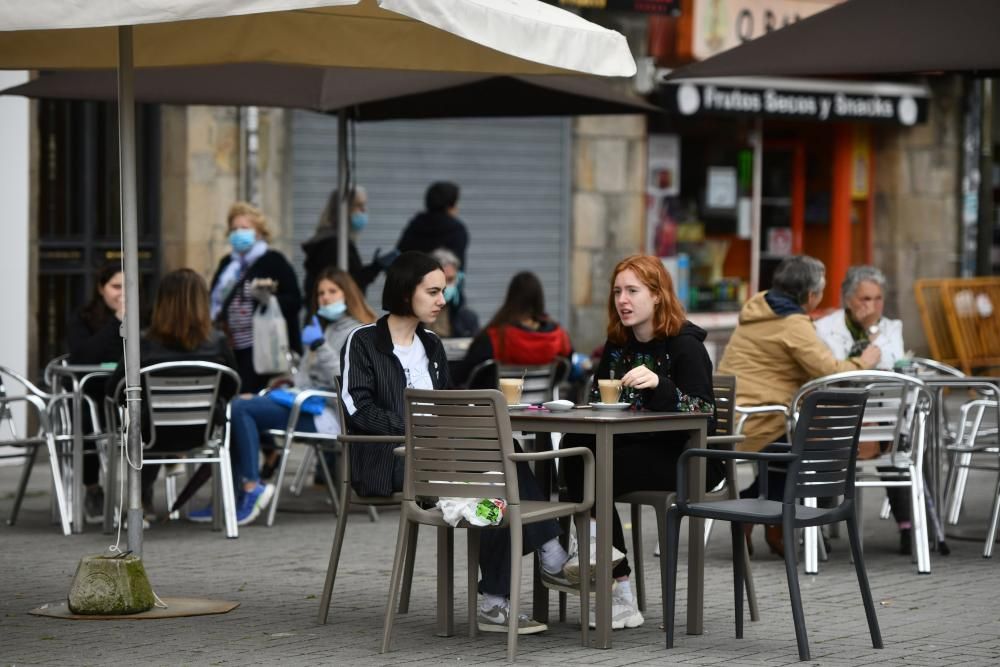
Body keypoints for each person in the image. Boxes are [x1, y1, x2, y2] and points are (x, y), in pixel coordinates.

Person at [340, 251, 569, 635]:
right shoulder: (363, 341)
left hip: (440, 457)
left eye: (442, 291)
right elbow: (356, 408)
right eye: (432, 291)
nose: (441, 300)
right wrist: (418, 430)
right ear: (404, 292)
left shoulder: (431, 345)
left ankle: (503, 597)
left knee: (503, 463)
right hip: (387, 457)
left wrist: (464, 428)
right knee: (494, 475)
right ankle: (551, 556)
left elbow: (445, 401)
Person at [560, 254, 719, 631]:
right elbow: (603, 401)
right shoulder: (618, 346)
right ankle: (610, 574)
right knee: (574, 450)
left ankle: (611, 580)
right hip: (634, 447)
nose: (622, 300)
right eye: (617, 291)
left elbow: (703, 410)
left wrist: (661, 386)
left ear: (658, 296)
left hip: (689, 457)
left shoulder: (685, 345)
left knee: (598, 469)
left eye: (632, 290)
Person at [718, 255, 880, 556]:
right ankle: (763, 518)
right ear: (810, 295)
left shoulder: (759, 307)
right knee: (810, 451)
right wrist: (863, 361)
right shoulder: (793, 324)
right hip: (763, 422)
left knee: (793, 451)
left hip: (734, 419)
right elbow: (828, 370)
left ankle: (769, 522)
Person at [190, 268, 378, 526]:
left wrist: (320, 346)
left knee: (239, 409)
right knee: (238, 408)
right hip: (309, 403)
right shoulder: (324, 327)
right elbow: (305, 378)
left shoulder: (358, 331)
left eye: (332, 292)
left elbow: (347, 379)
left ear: (349, 294)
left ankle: (251, 488)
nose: (325, 298)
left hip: (332, 414)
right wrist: (284, 388)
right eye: (321, 293)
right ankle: (228, 499)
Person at [105, 269, 238, 525]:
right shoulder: (218, 342)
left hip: (151, 434)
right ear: (203, 302)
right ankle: (225, 517)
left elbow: (114, 389)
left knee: (144, 419)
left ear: (161, 303)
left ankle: (139, 502)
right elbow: (230, 386)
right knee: (151, 420)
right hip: (202, 431)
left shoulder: (142, 343)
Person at [815, 265, 913, 553]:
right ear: (848, 299)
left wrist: (871, 332)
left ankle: (910, 526)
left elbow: (893, 363)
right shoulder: (825, 328)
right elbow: (830, 369)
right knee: (822, 449)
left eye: (878, 299)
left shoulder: (891, 327)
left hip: (883, 420)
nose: (872, 306)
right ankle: (817, 525)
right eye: (865, 299)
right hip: (838, 423)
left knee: (901, 447)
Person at [210, 201, 302, 394]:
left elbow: (294, 300)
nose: (238, 233)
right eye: (234, 229)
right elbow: (214, 299)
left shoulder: (273, 260)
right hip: (230, 346)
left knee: (252, 396)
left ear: (258, 231)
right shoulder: (227, 263)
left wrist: (267, 299)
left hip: (262, 349)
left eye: (244, 228)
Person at [66, 262, 125, 523]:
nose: (122, 293)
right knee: (85, 415)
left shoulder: (145, 315)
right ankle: (92, 488)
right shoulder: (84, 317)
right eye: (116, 286)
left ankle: (141, 492)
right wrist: (116, 322)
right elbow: (82, 356)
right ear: (102, 289)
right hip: (92, 393)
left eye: (127, 287)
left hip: (124, 393)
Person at [456, 270, 570, 387]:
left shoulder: (495, 337)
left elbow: (465, 374)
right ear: (539, 298)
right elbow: (567, 370)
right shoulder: (558, 336)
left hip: (500, 403)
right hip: (543, 404)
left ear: (510, 297)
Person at [302, 186, 397, 299]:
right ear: (342, 209)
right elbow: (346, 283)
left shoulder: (336, 240)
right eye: (358, 205)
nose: (364, 210)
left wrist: (375, 267)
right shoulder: (333, 245)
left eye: (364, 205)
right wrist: (374, 268)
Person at [396, 181, 469, 270]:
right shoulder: (457, 230)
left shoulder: (416, 225)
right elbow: (458, 268)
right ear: (449, 206)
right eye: (456, 203)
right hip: (441, 282)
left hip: (411, 282)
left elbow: (399, 255)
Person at [426, 247, 479, 339]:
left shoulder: (466, 318)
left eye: (450, 279)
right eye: (442, 279)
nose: (446, 286)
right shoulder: (413, 315)